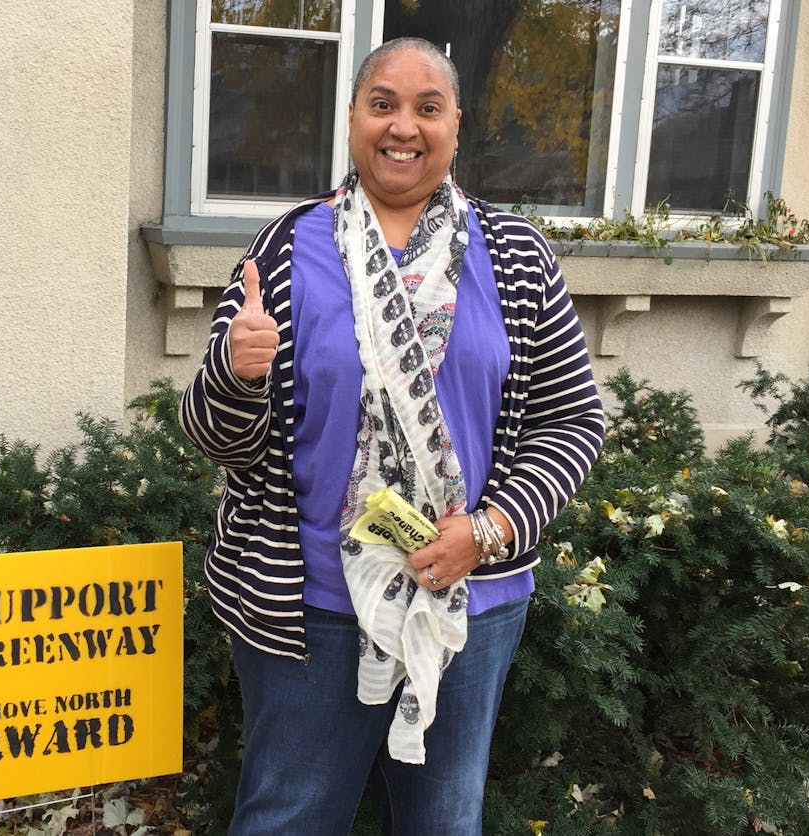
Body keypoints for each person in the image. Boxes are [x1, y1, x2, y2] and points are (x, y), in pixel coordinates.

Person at [179, 37, 605, 835]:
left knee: (443, 822)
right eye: (383, 104)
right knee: (287, 821)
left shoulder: (515, 256)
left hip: (469, 600)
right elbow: (216, 439)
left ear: (455, 125)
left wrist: (489, 529)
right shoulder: (286, 248)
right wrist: (235, 376)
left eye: (426, 107)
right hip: (308, 606)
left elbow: (574, 418)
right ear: (352, 120)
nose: (402, 127)